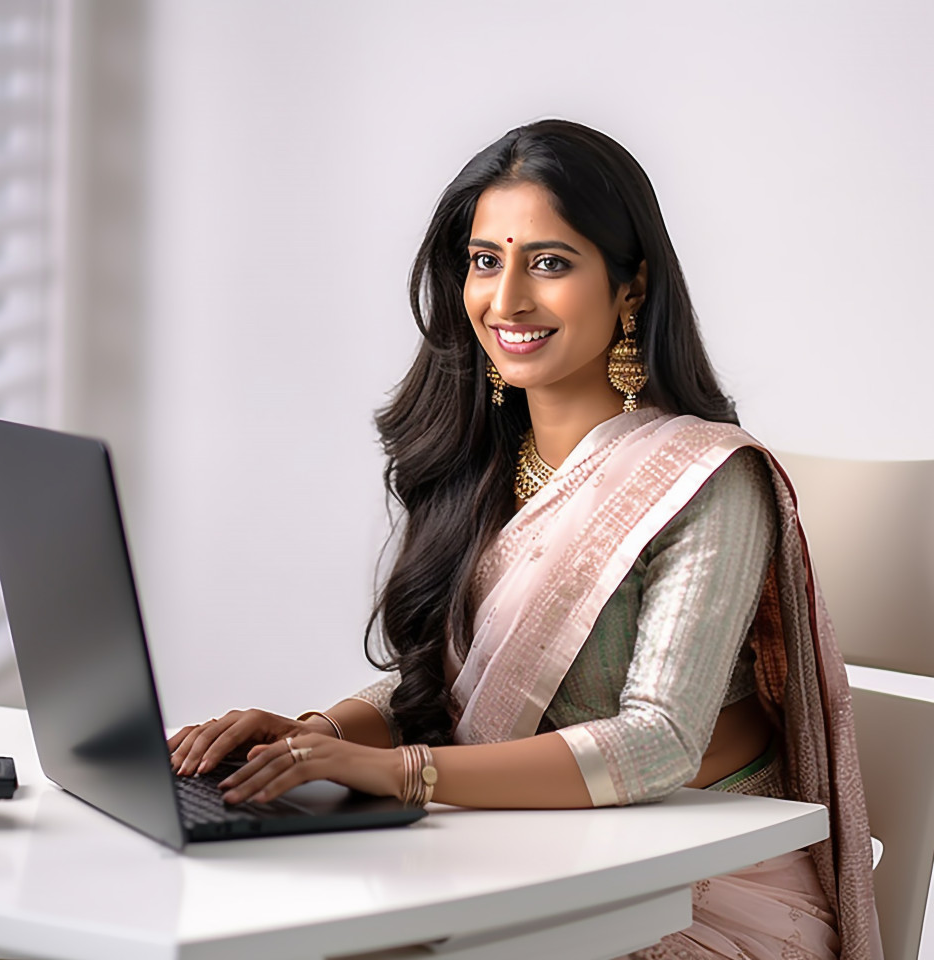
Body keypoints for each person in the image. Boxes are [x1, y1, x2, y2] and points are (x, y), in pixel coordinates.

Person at [167, 119, 883, 960]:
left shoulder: (705, 479)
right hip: (521, 856)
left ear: (631, 287)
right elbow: (448, 688)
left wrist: (396, 773)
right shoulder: (483, 466)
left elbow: (657, 745)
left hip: (691, 892)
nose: (505, 301)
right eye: (484, 261)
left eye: (549, 262)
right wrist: (313, 734)